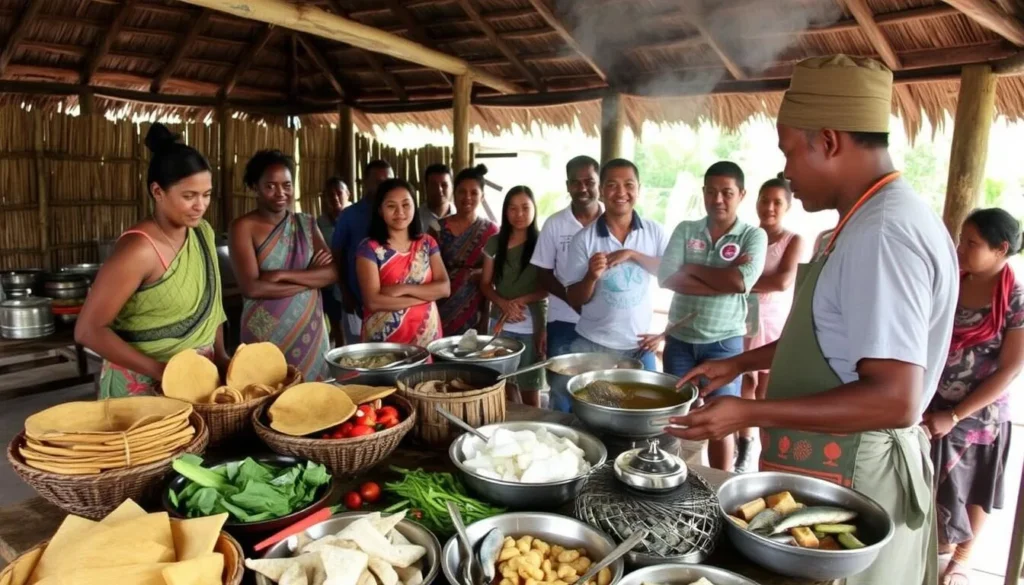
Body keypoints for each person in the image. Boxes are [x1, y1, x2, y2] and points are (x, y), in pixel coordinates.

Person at [670, 55, 958, 585]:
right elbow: (831, 342)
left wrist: (748, 415)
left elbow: (894, 399)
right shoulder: (860, 224)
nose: (786, 172)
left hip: (853, 480)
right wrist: (739, 362)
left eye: (788, 152)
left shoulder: (883, 235)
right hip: (829, 465)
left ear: (827, 141)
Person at [76, 123, 229, 398]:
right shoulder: (139, 250)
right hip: (140, 386)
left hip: (198, 383)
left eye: (206, 195)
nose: (200, 206)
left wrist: (220, 355)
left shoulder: (202, 234)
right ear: (158, 192)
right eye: (189, 196)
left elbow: (212, 305)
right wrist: (160, 371)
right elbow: (88, 330)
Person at [924, 209, 1023, 585]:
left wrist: (957, 415)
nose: (960, 249)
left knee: (975, 479)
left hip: (980, 408)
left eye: (971, 243)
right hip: (935, 396)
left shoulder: (1015, 298)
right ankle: (939, 541)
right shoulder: (952, 280)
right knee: (925, 468)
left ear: (1001, 249)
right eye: (961, 240)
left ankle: (964, 555)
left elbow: (1011, 368)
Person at [657, 161, 768, 472]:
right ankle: (674, 477)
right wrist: (723, 281)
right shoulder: (686, 229)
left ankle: (721, 483)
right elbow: (666, 277)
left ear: (742, 195)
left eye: (727, 192)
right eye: (711, 192)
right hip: (679, 341)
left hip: (724, 344)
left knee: (722, 420)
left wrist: (690, 269)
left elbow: (741, 281)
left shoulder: (752, 236)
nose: (718, 199)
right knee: (675, 415)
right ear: (704, 193)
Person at [230, 150, 337, 381]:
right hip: (265, 333)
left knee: (314, 400)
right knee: (266, 394)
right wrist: (309, 279)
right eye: (270, 186)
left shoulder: (306, 223)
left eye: (286, 185)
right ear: (254, 187)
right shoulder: (243, 227)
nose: (281, 193)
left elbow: (331, 273)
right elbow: (252, 288)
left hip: (310, 330)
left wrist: (279, 274)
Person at [560, 159, 668, 370]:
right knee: (587, 400)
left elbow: (669, 274)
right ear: (600, 190)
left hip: (641, 345)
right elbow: (574, 298)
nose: (621, 193)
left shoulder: (654, 231)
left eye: (629, 185)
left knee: (642, 400)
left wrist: (632, 254)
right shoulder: (583, 239)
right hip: (593, 344)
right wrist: (591, 276)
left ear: (639, 189)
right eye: (612, 185)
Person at [736, 177, 804, 473]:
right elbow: (728, 273)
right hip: (741, 318)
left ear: (787, 206)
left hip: (772, 322)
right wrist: (735, 282)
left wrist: (740, 283)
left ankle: (768, 450)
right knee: (744, 384)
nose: (770, 207)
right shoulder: (746, 236)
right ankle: (744, 449)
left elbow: (782, 281)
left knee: (766, 388)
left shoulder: (793, 240)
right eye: (765, 200)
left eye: (777, 202)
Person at [530, 156, 604, 384]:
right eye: (575, 182)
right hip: (563, 321)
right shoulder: (555, 224)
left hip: (604, 323)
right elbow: (543, 273)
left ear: (599, 183)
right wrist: (572, 300)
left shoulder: (614, 222)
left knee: (601, 390)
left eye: (589, 181)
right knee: (562, 391)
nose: (582, 188)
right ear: (567, 186)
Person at [356, 179, 449, 346]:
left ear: (415, 206)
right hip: (384, 341)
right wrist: (425, 297)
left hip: (426, 337)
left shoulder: (427, 243)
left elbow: (444, 288)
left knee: (427, 373)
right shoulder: (369, 249)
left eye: (406, 204)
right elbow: (373, 301)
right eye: (391, 206)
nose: (400, 212)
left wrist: (402, 289)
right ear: (380, 210)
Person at [480, 186, 548, 394]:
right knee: (505, 386)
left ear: (534, 209)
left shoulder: (543, 242)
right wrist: (503, 304)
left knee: (530, 388)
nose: (519, 214)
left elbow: (547, 288)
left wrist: (520, 301)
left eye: (525, 208)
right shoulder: (494, 243)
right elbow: (485, 284)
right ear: (505, 211)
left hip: (531, 325)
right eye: (513, 208)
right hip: (500, 324)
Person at [332, 160, 395, 344]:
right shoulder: (350, 215)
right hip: (357, 299)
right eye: (377, 181)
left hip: (391, 301)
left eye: (388, 181)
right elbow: (337, 255)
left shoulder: (397, 214)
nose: (383, 186)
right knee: (360, 356)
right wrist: (346, 293)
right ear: (365, 183)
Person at [436, 164, 499, 336]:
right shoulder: (437, 228)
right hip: (442, 304)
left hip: (477, 304)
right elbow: (426, 268)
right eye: (462, 192)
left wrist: (481, 273)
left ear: (483, 196)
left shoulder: (492, 231)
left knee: (473, 353)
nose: (467, 197)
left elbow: (501, 270)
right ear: (453, 194)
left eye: (474, 193)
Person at [319, 176, 349, 347]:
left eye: (339, 193)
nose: (335, 198)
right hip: (329, 282)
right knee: (336, 322)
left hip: (351, 279)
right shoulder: (320, 223)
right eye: (330, 195)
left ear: (348, 194)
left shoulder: (355, 217)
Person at [419, 163, 454, 234]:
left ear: (452, 187)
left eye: (444, 185)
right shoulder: (414, 219)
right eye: (433, 185)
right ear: (425, 187)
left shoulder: (461, 215)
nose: (439, 189)